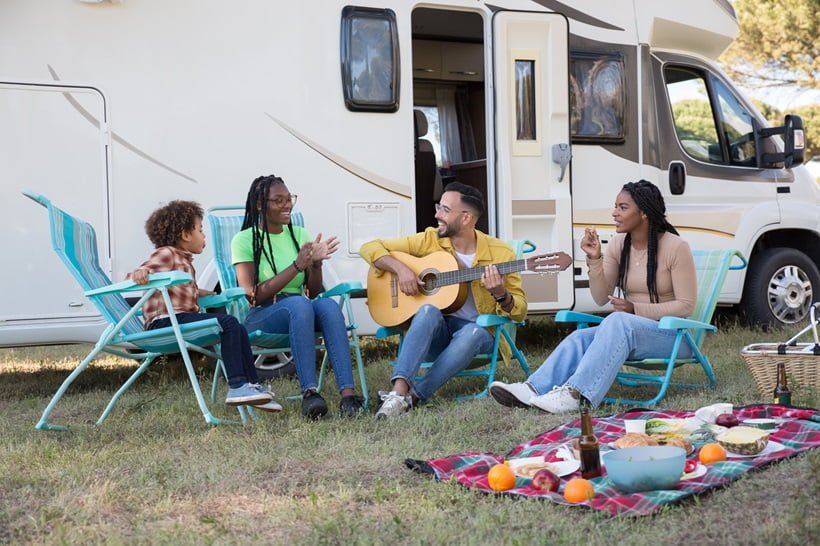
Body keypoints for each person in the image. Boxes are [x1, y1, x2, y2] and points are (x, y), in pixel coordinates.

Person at [490, 180, 697, 412]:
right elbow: (600, 297)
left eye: (622, 207)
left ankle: (575, 394)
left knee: (618, 320)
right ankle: (532, 389)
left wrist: (635, 309)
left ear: (645, 213)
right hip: (631, 334)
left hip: (673, 338)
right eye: (615, 206)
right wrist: (595, 259)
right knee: (580, 338)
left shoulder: (676, 247)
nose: (614, 213)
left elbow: (686, 306)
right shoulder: (620, 245)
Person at [360, 182, 528, 418]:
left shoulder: (501, 254)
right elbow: (369, 247)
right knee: (428, 309)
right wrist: (401, 269)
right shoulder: (431, 240)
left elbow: (520, 312)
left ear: (466, 218)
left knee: (476, 331)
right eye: (439, 207)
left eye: (445, 210)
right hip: (436, 334)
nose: (437, 214)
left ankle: (415, 396)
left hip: (477, 338)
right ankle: (398, 393)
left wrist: (501, 293)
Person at [128, 200, 282, 412]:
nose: (204, 236)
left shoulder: (184, 260)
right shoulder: (167, 253)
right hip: (165, 322)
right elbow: (143, 271)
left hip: (178, 321)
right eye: (200, 230)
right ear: (185, 235)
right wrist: (140, 273)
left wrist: (198, 292)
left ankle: (252, 385)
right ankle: (237, 385)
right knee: (228, 323)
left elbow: (176, 287)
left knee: (237, 328)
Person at [232, 175, 364, 419]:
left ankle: (348, 396)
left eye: (289, 198)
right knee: (299, 304)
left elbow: (313, 292)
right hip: (263, 315)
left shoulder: (299, 233)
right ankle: (310, 394)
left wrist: (315, 265)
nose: (287, 205)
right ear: (260, 205)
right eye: (278, 200)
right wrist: (296, 265)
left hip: (298, 308)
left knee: (327, 306)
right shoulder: (244, 240)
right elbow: (252, 295)